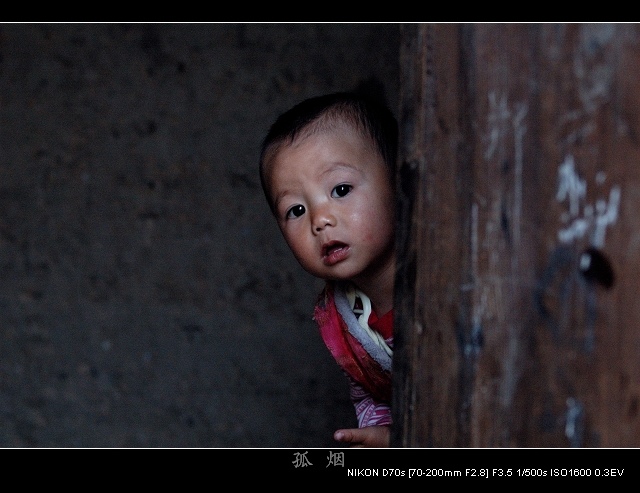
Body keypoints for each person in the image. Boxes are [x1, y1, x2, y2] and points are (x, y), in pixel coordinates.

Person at [259, 91, 397, 447]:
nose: (320, 219)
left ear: (401, 183)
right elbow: (373, 393)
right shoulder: (344, 318)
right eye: (296, 211)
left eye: (340, 189)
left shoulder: (443, 282)